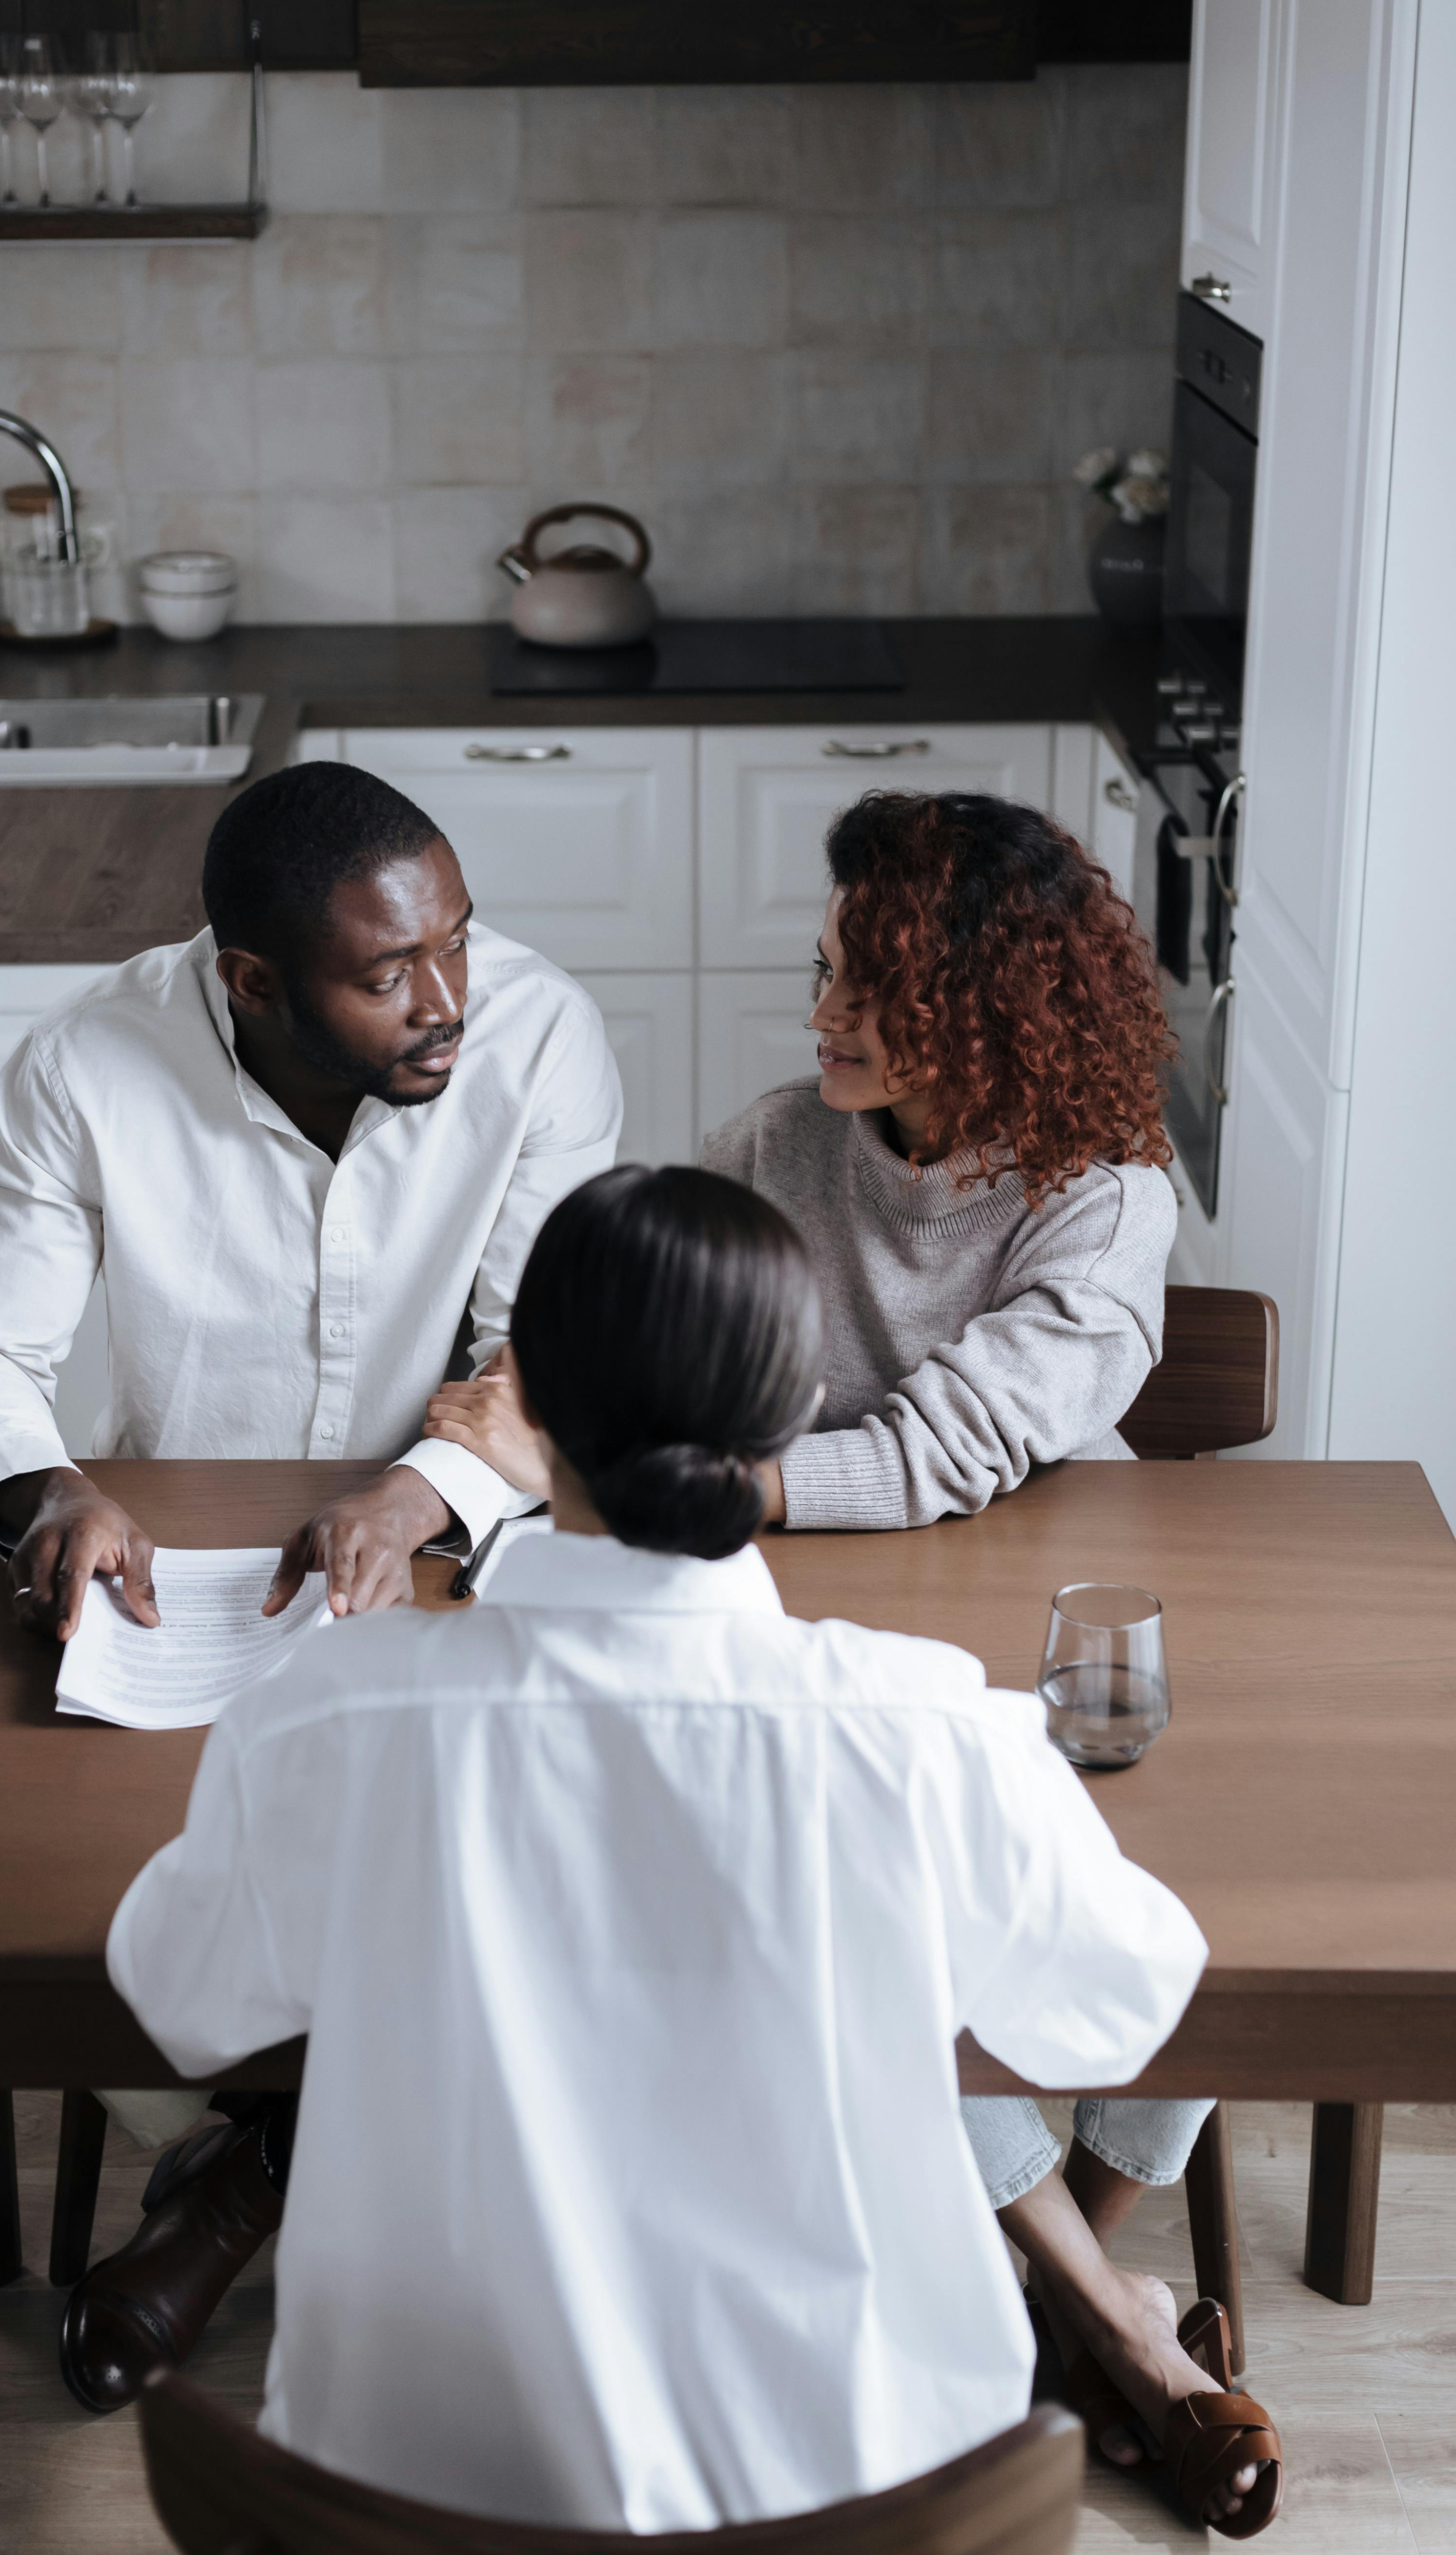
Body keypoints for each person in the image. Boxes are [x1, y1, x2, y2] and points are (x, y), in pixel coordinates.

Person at [110, 1166, 1278, 2536]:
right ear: (789, 1413)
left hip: (409, 2512)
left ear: (514, 1397)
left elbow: (179, 1991)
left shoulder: (331, 1712)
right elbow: (1127, 1995)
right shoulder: (925, 1728)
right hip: (872, 2507)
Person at [420, 794, 1275, 2529]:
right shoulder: (768, 1144)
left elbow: (959, 1446)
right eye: (825, 972)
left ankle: (1045, 2286)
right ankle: (1110, 2330)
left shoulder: (1100, 1188)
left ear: (985, 1004)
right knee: (849, 1924)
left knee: (1212, 1927)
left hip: (1052, 1645)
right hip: (827, 1635)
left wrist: (678, 1475)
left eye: (865, 988)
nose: (821, 1013)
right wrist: (512, 1401)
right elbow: (637, 1319)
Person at [0, 757, 621, 2411]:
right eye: (388, 976)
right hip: (172, 1612)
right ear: (249, 982)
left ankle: (240, 2190)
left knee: (496, 1890)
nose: (449, 1001)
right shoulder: (87, 1065)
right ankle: (301, 2163)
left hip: (455, 1573)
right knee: (95, 1916)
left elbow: (545, 1353)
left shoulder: (538, 1030)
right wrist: (42, 1490)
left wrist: (422, 1491)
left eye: (458, 943)